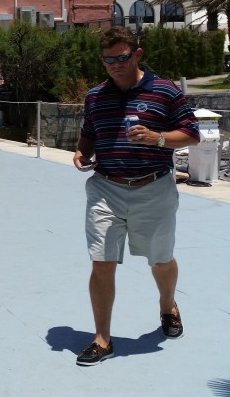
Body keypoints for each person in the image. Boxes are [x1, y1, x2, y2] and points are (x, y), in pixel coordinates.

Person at [71, 26, 199, 366]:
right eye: (108, 59)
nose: (115, 64)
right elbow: (88, 136)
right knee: (101, 262)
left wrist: (157, 138)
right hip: (106, 189)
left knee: (160, 260)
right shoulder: (96, 96)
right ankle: (102, 339)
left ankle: (167, 304)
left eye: (122, 57)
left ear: (137, 54)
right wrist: (81, 154)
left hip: (153, 189)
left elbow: (191, 134)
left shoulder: (165, 91)